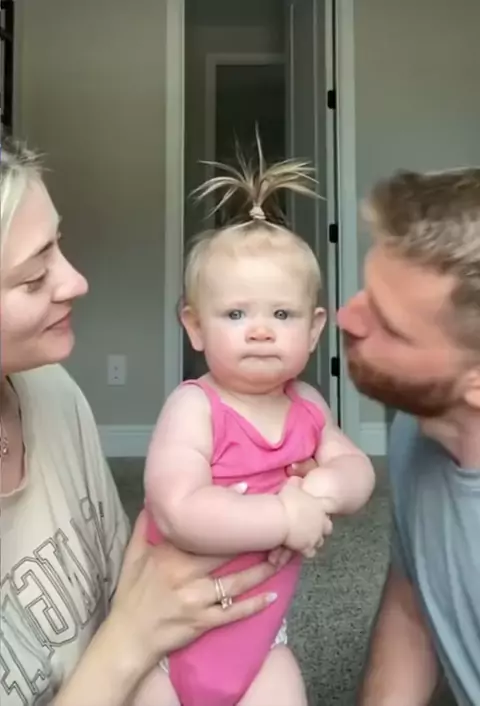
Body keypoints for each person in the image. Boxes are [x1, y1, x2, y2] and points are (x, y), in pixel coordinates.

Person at [0, 139, 287, 706]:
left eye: (59, 246)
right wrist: (131, 640)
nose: (76, 281)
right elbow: (131, 625)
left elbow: (126, 585)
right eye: (33, 278)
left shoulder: (53, 392)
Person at [140, 144, 376, 706]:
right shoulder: (194, 407)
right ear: (194, 326)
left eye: (282, 314)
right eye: (236, 314)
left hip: (263, 640)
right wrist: (284, 516)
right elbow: (176, 510)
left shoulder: (307, 406)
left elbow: (358, 469)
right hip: (167, 643)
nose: (261, 331)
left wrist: (326, 488)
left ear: (314, 330)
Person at [335, 167, 480, 705]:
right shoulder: (417, 428)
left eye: (389, 326)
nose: (345, 318)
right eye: (366, 292)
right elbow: (414, 603)